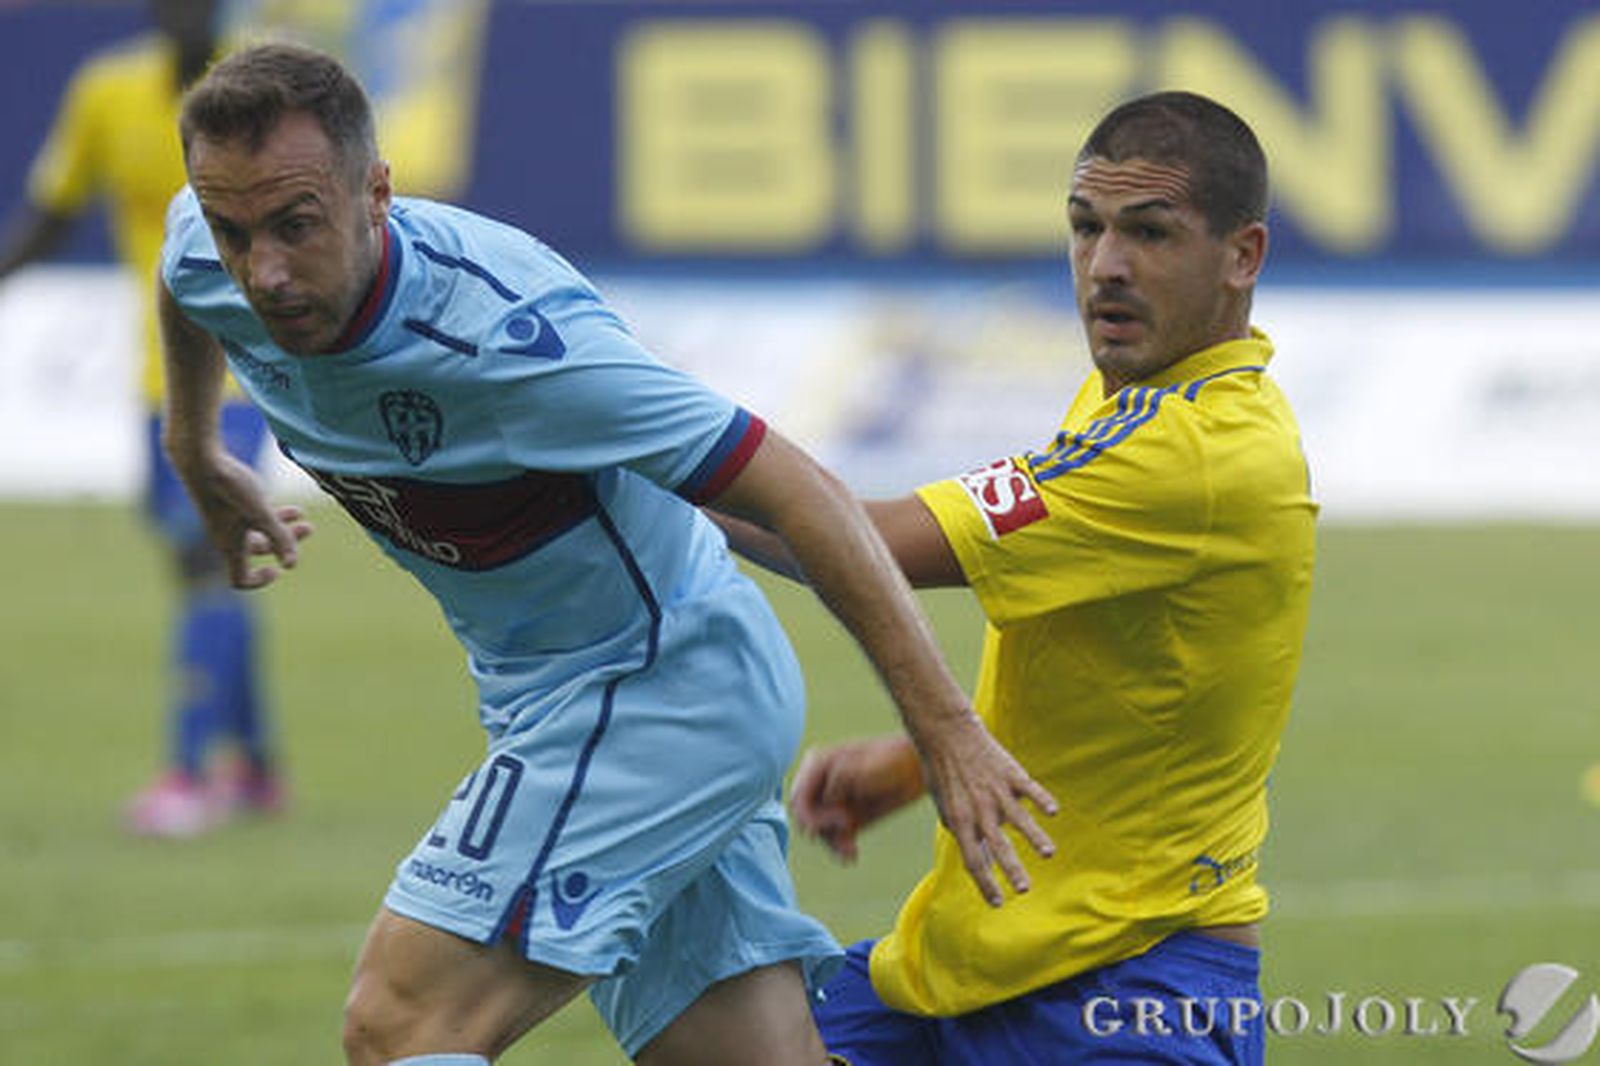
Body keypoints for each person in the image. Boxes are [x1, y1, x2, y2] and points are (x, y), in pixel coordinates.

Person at [156, 42, 1056, 1066]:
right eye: (235, 230)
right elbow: (184, 282)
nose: (262, 270)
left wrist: (944, 733)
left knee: (405, 1021)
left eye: (295, 227)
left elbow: (804, 493)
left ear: (376, 194)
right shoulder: (211, 243)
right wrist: (194, 449)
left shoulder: (512, 340)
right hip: (587, 692)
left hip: (653, 689)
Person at [716, 91, 1318, 1064]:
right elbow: (1133, 670)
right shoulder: (1137, 387)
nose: (1105, 266)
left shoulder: (1192, 450)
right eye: (1086, 228)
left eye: (1149, 233)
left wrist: (642, 450)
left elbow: (858, 540)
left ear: (1241, 256)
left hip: (1126, 984)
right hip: (973, 956)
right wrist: (921, 760)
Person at [0, 0, 283, 836]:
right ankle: (259, 768)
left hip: (250, 371)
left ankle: (188, 774)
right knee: (203, 561)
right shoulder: (107, 90)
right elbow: (52, 218)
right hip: (158, 371)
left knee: (205, 553)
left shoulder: (266, 85)